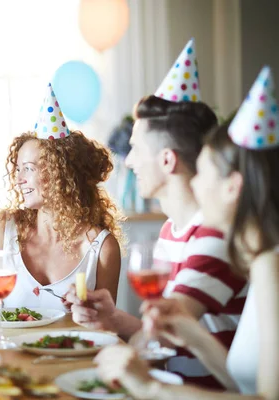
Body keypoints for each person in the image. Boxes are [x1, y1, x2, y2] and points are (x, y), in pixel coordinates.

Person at [66, 39, 247, 388]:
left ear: (167, 160)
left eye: (135, 148)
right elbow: (170, 338)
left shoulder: (214, 235)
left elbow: (163, 334)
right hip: (173, 387)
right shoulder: (170, 231)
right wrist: (114, 318)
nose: (129, 160)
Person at [95, 66, 279, 399]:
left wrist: (151, 387)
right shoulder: (264, 261)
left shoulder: (271, 268)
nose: (193, 182)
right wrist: (193, 335)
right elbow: (245, 384)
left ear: (232, 188)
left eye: (204, 173)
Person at [0, 83, 123, 311]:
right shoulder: (3, 229)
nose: (19, 179)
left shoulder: (102, 248)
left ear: (60, 173)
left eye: (28, 169)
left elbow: (106, 328)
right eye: (17, 169)